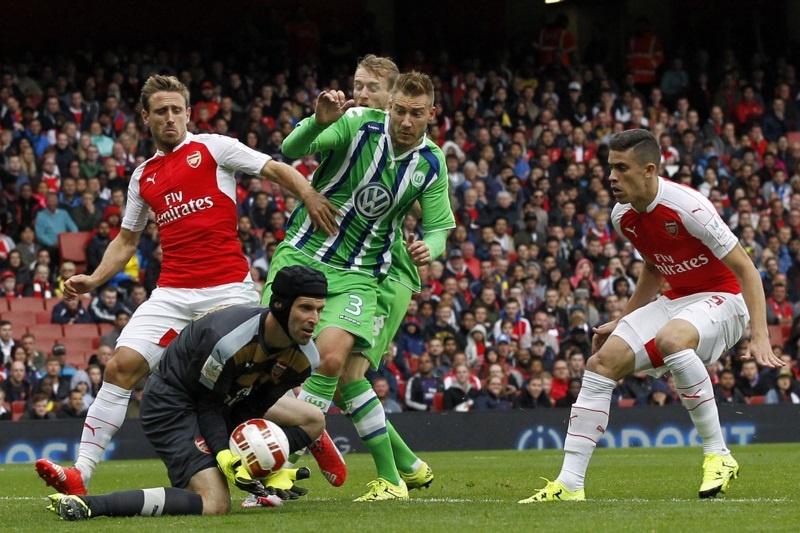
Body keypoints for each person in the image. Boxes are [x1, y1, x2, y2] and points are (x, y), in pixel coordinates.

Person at [36, 75, 339, 497]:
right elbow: (127, 239)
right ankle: (81, 474)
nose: (170, 118)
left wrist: (306, 193)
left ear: (188, 113)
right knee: (120, 366)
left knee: (239, 390)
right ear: (146, 118)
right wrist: (95, 278)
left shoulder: (214, 147)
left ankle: (298, 435)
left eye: (177, 109)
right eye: (161, 111)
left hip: (229, 291)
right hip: (174, 293)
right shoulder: (143, 176)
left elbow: (271, 167)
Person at [520, 129, 783, 504]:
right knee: (601, 362)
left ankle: (718, 455)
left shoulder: (689, 207)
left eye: (621, 168)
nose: (611, 177)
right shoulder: (622, 215)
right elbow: (654, 268)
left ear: (648, 170)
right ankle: (570, 484)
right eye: (610, 167)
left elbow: (747, 269)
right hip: (678, 300)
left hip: (724, 298)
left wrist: (760, 335)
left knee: (672, 339)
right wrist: (623, 319)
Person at [261, 67, 454, 500]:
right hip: (303, 254)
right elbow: (292, 148)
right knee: (271, 358)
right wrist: (320, 120)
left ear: (431, 114)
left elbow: (440, 226)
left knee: (334, 362)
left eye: (416, 114)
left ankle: (287, 457)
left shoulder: (430, 161)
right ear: (389, 107)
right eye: (400, 111)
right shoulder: (357, 125)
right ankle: (397, 466)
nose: (406, 122)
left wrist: (430, 247)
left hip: (362, 271)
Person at [46, 266, 330, 520]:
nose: (314, 319)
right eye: (306, 308)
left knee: (314, 419)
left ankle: (253, 480)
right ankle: (90, 505)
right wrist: (226, 456)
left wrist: (265, 461)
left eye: (319, 309)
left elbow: (249, 410)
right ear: (279, 305)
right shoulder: (230, 341)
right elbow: (208, 406)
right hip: (173, 402)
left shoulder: (306, 358)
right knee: (215, 503)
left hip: (223, 401)